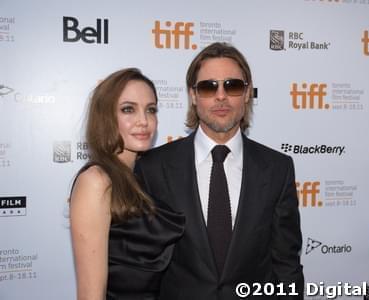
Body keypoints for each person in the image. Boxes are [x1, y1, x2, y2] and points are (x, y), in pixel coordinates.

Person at [135, 42, 304, 299]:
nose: (221, 96)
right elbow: (141, 269)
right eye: (208, 86)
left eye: (233, 85)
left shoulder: (277, 169)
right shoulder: (153, 168)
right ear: (193, 95)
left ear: (247, 94)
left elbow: (286, 265)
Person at [69, 68, 184, 300]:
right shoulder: (96, 181)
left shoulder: (143, 176)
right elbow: (91, 295)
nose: (143, 121)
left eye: (150, 110)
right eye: (128, 109)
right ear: (106, 116)